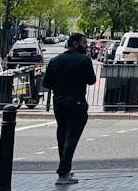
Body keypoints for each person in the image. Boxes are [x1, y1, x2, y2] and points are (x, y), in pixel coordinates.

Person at [42, 33, 97, 186]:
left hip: (58, 101)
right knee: (72, 137)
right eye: (83, 43)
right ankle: (63, 172)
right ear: (74, 44)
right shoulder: (84, 60)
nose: (86, 46)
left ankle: (65, 170)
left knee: (62, 134)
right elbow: (91, 80)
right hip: (77, 101)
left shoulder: (54, 60)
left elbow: (47, 83)